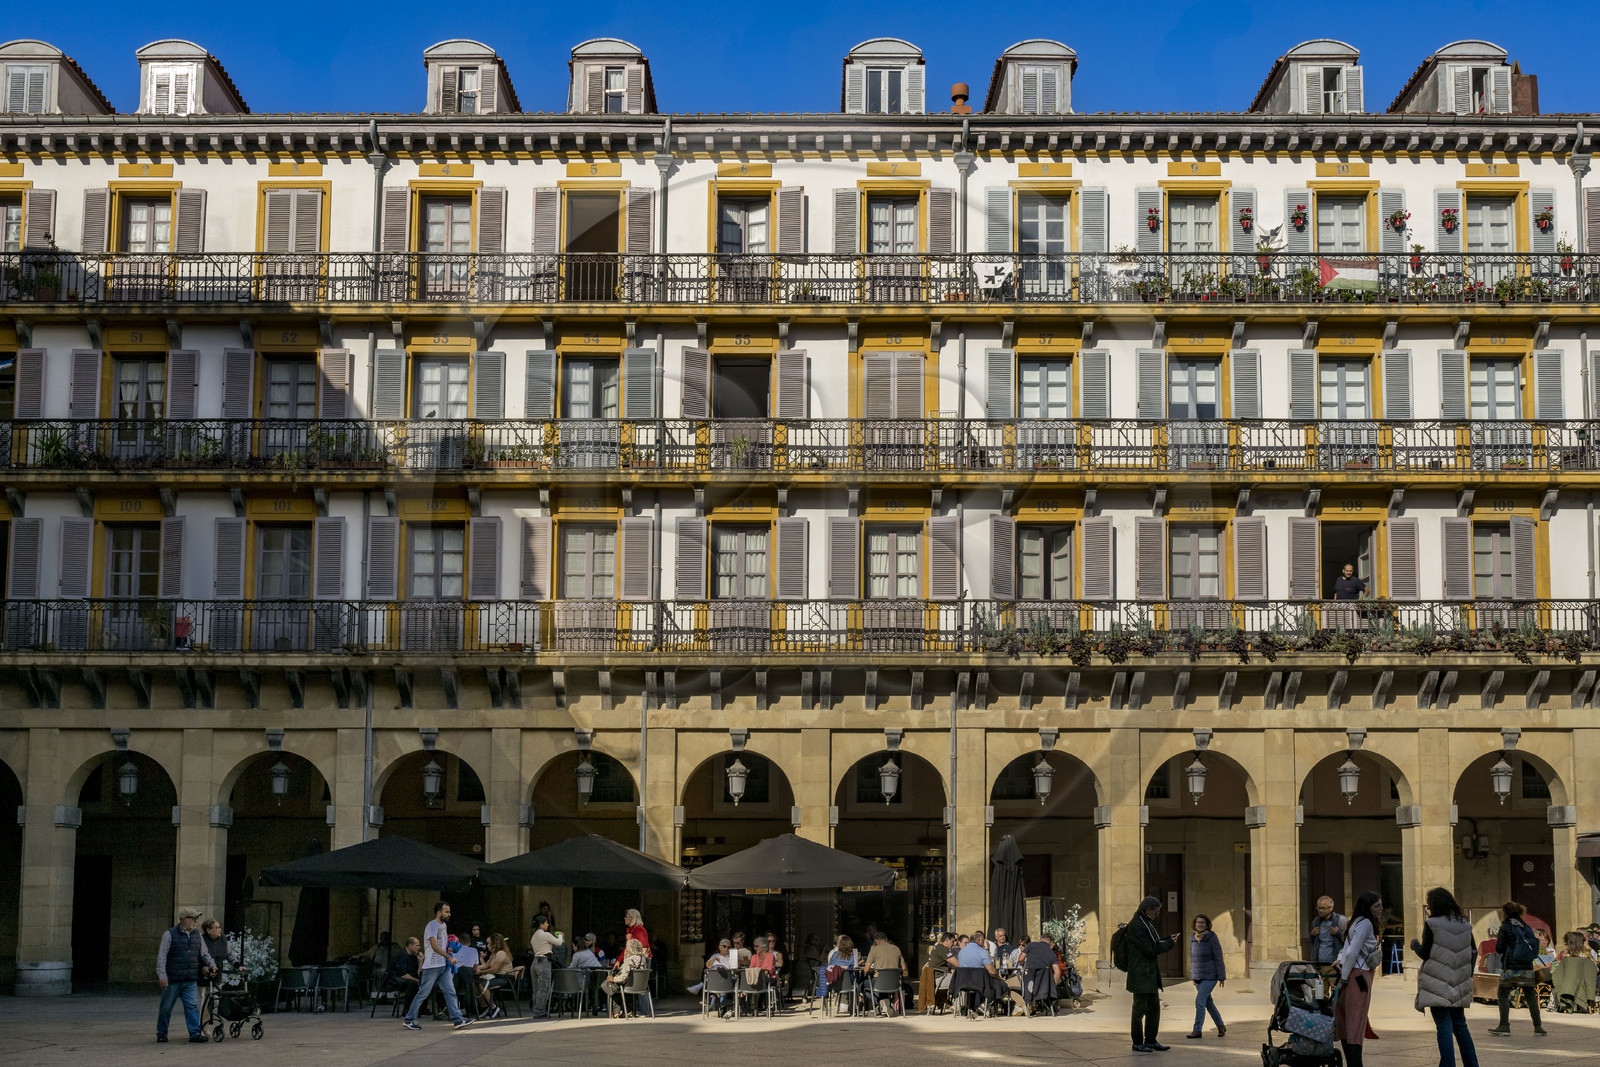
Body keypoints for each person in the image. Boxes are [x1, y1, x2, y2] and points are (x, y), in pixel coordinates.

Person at [1411, 886, 1479, 1067]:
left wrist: (1415, 945)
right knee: (1461, 1027)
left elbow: (1425, 953)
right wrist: (1467, 973)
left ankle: (1447, 1064)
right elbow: (1473, 950)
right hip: (1459, 982)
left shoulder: (1432, 924)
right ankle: (1472, 1064)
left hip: (1437, 982)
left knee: (1443, 1027)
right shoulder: (1465, 924)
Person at [402, 901, 470, 1031]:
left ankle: (458, 1020)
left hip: (442, 965)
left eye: (449, 911)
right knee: (423, 993)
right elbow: (434, 945)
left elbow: (441, 945)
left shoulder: (443, 926)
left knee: (450, 992)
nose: (449, 914)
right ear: (439, 912)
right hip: (432, 966)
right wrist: (449, 957)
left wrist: (449, 950)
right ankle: (409, 1019)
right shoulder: (432, 925)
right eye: (446, 911)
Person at [1334, 891, 1384, 1066]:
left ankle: (1352, 1063)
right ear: (1367, 907)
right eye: (1377, 905)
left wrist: (1341, 967)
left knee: (1346, 1020)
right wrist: (1345, 978)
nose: (1381, 909)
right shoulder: (1366, 924)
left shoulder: (1355, 922)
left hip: (1350, 974)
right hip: (1359, 976)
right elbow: (1352, 951)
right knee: (1356, 1021)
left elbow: (1347, 950)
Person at [1122, 897, 1178, 1053]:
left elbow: (1154, 942)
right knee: (1139, 1010)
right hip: (1140, 975)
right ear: (1148, 910)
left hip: (1148, 975)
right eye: (1157, 910)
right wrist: (1170, 944)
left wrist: (1167, 940)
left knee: (1154, 1009)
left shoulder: (1145, 923)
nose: (1158, 913)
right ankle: (1138, 1042)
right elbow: (1150, 948)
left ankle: (1151, 1041)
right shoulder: (1137, 925)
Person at [155, 906, 216, 1043]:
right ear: (183, 919)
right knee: (166, 1007)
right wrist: (162, 975)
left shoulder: (197, 935)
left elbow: (204, 953)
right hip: (173, 978)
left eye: (196, 918)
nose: (195, 921)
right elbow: (161, 957)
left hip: (190, 978)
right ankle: (162, 1033)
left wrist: (211, 964)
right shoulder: (169, 934)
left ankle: (194, 1033)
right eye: (192, 918)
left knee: (192, 1006)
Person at [1487, 900, 1546, 1038]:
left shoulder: (1505, 927)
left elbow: (1499, 948)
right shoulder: (1526, 927)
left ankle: (1504, 1025)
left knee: (1502, 994)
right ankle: (1538, 1027)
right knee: (1531, 996)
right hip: (1526, 966)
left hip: (1510, 967)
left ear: (1505, 913)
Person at [1184, 913, 1226, 1039]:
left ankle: (1197, 1030)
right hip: (1198, 976)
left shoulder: (1212, 937)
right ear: (1194, 924)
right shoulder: (1193, 938)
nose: (1200, 925)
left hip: (1210, 975)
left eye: (1202, 923)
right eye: (1198, 922)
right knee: (1208, 1003)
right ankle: (1220, 1026)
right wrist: (1193, 976)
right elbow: (1193, 959)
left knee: (1200, 1001)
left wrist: (1221, 976)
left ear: (1207, 925)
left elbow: (1218, 957)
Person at [602, 939, 649, 1018]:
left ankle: (616, 1011)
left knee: (609, 985)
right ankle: (628, 1010)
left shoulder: (629, 960)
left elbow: (623, 977)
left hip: (629, 985)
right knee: (620, 988)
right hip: (640, 985)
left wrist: (613, 979)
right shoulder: (642, 958)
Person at [528, 914, 564, 1019]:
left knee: (536, 989)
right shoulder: (545, 935)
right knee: (544, 988)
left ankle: (536, 1010)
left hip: (534, 961)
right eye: (546, 923)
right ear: (541, 924)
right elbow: (558, 943)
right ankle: (540, 1011)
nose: (548, 924)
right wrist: (560, 935)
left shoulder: (534, 936)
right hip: (544, 961)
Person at [863, 930, 908, 1014]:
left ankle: (880, 1003)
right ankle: (885, 1003)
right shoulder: (896, 948)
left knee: (862, 986)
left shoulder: (874, 950)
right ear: (886, 939)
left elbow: (866, 969)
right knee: (883, 990)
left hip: (879, 981)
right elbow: (904, 967)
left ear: (875, 941)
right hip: (894, 982)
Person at [474, 933, 515, 1019]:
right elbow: (486, 966)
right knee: (475, 984)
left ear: (495, 944)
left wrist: (481, 972)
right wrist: (474, 967)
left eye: (489, 943)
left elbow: (494, 969)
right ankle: (484, 1007)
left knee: (483, 984)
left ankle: (493, 1007)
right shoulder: (493, 954)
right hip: (497, 977)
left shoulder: (501, 953)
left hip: (505, 978)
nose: (487, 945)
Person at [1019, 933, 1061, 1014]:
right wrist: (1052, 985)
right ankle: (1042, 999)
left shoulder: (1031, 945)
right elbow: (1058, 972)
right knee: (1044, 980)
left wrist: (1024, 964)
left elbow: (1021, 959)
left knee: (1025, 980)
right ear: (1050, 943)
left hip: (1029, 977)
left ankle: (1029, 1001)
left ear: (1039, 940)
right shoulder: (1051, 952)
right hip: (1043, 984)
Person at [1310, 896, 1347, 973]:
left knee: (1335, 985)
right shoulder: (1316, 921)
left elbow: (1349, 941)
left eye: (1323, 908)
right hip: (1319, 965)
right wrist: (1312, 934)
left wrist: (1338, 934)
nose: (1320, 910)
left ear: (1331, 908)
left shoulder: (1341, 921)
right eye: (1318, 908)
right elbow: (1314, 943)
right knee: (1319, 985)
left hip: (1334, 964)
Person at [386, 937, 421, 1005]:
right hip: (395, 981)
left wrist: (421, 961)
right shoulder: (401, 956)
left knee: (426, 983)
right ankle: (406, 1010)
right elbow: (403, 975)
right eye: (417, 945)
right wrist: (417, 981)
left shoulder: (412, 957)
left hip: (406, 980)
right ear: (410, 946)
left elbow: (418, 973)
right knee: (413, 983)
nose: (419, 947)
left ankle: (422, 1009)